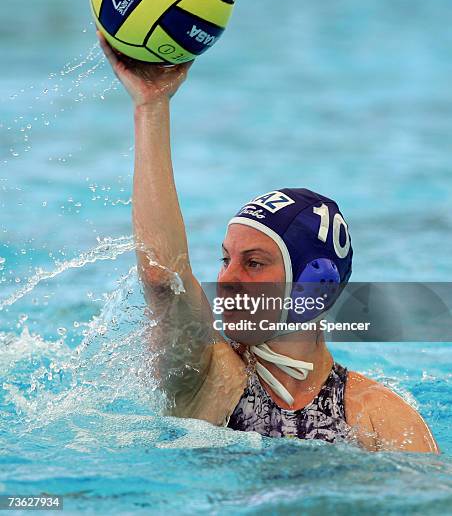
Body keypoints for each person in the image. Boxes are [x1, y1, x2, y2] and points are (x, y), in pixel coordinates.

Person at [97, 32, 439, 453]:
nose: (227, 280)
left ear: (312, 287)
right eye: (225, 259)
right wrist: (151, 106)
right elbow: (163, 278)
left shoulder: (381, 419)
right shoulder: (213, 379)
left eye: (254, 263)